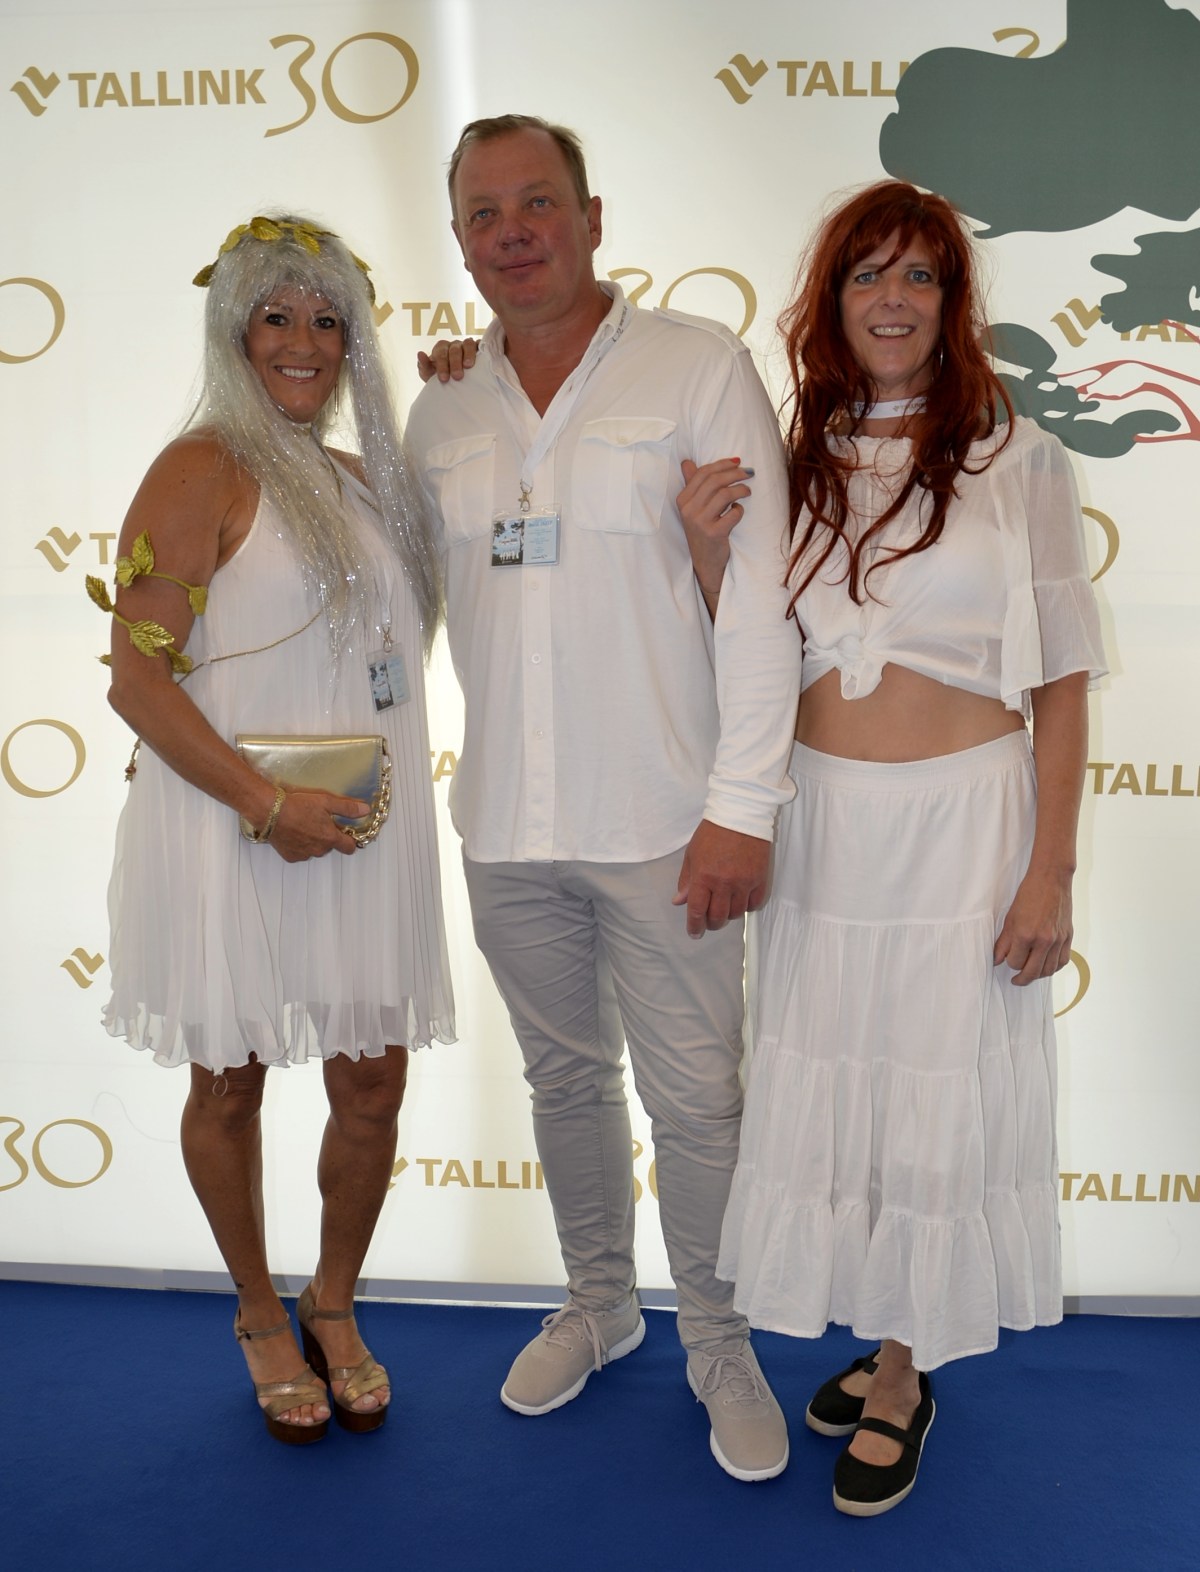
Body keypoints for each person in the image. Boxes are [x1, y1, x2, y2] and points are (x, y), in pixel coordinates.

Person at [681, 180, 1107, 1515]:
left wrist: (1051, 870)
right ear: (834, 299)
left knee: (934, 1085)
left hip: (961, 830)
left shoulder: (1017, 458)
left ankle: (907, 1370)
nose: (893, 298)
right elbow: (755, 644)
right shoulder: (796, 453)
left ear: (953, 302)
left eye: (920, 275)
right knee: (845, 1088)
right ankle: (881, 1327)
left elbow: (1064, 683)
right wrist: (705, 553)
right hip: (825, 830)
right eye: (868, 273)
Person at [405, 115, 800, 1481]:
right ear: (461, 242)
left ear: (591, 218)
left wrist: (743, 807)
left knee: (699, 1104)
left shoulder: (698, 366)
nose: (512, 232)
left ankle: (719, 1339)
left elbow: (760, 603)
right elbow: (408, 605)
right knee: (564, 1081)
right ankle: (600, 1304)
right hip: (506, 824)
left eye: (537, 203)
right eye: (483, 213)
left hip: (668, 822)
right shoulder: (442, 407)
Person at [97, 214, 455, 1444]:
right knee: (230, 1081)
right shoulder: (199, 467)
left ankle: (332, 1301)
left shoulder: (364, 477)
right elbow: (135, 683)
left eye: (327, 319)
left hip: (354, 823)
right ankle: (258, 1311)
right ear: (233, 331)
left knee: (373, 1083)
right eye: (275, 316)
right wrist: (263, 802)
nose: (303, 341)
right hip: (235, 825)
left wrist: (469, 381)